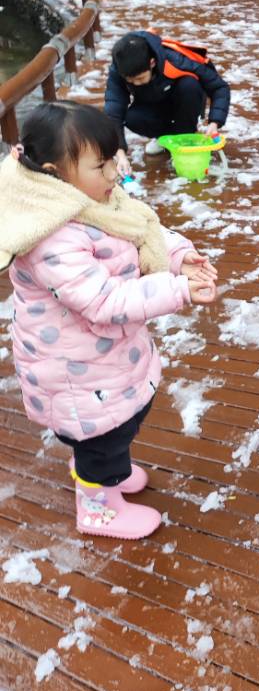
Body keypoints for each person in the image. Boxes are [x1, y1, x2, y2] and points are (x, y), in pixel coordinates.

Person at [0, 102, 218, 540]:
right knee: (104, 438)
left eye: (114, 158)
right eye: (102, 165)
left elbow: (139, 231)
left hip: (102, 361)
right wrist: (176, 291)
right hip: (77, 374)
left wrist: (177, 257)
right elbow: (103, 301)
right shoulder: (51, 238)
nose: (116, 172)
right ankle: (97, 507)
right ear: (54, 172)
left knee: (116, 427)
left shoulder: (90, 198)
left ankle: (99, 466)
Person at [105, 31, 231, 172]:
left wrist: (214, 123)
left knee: (189, 85)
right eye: (131, 81)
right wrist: (120, 154)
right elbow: (113, 110)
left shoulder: (175, 60)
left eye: (140, 78)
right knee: (131, 118)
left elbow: (219, 87)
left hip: (183, 101)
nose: (136, 83)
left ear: (152, 63)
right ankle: (165, 139)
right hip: (151, 104)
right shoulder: (119, 69)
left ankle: (185, 139)